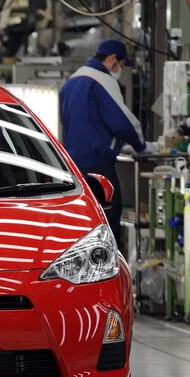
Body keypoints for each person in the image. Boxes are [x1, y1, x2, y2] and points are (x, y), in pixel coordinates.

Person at [60, 39, 159, 249]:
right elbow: (123, 122)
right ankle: (110, 272)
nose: (120, 70)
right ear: (112, 59)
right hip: (98, 166)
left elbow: (84, 124)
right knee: (108, 220)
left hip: (73, 167)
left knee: (84, 223)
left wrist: (114, 143)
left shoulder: (70, 82)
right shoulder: (101, 79)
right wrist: (142, 145)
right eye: (121, 65)